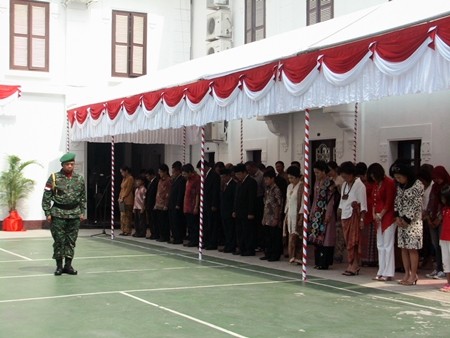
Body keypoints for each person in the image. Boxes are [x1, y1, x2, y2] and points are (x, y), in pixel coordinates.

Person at [42, 152, 86, 276]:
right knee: (59, 241)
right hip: (58, 213)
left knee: (71, 241)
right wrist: (47, 212)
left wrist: (82, 211)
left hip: (74, 214)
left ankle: (68, 265)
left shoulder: (79, 179)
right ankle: (59, 266)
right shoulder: (54, 178)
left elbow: (83, 197)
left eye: (72, 164)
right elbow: (46, 196)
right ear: (62, 165)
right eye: (68, 164)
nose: (70, 166)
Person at [392, 162, 424, 285]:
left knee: (412, 249)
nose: (397, 180)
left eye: (400, 177)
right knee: (403, 248)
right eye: (396, 177)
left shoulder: (417, 185)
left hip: (413, 223)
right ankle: (406, 273)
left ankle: (413, 274)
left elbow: (416, 204)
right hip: (401, 221)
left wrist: (406, 219)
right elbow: (396, 201)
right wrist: (397, 217)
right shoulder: (400, 186)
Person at [367, 163, 396, 281]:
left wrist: (381, 214)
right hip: (378, 217)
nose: (373, 178)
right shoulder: (376, 184)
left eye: (374, 175)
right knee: (380, 245)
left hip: (388, 217)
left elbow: (389, 201)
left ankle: (388, 272)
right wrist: (374, 214)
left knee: (388, 245)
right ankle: (381, 269)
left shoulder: (389, 183)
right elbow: (374, 201)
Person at [338, 161, 367, 276]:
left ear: (351, 174)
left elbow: (363, 205)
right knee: (348, 242)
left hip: (355, 216)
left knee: (354, 242)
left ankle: (355, 264)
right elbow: (342, 201)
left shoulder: (360, 185)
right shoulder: (344, 185)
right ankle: (350, 263)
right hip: (345, 216)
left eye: (345, 176)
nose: (344, 178)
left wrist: (362, 220)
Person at [309, 161, 336, 270]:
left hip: (325, 213)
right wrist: (311, 212)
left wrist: (328, 214)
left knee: (325, 239)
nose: (316, 175)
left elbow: (331, 200)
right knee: (316, 237)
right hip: (317, 213)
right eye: (315, 173)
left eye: (318, 173)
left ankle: (324, 262)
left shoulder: (330, 183)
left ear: (324, 172)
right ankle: (318, 261)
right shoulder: (316, 183)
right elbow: (315, 199)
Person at [425, 166, 450, 279]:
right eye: (434, 178)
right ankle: (438, 267)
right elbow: (430, 203)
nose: (436, 180)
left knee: (443, 246)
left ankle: (444, 270)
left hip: (443, 221)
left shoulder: (447, 187)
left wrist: (438, 219)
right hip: (432, 218)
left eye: (438, 178)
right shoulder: (434, 187)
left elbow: (444, 205)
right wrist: (429, 218)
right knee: (436, 245)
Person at [233, 163, 257, 256]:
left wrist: (251, 212)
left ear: (244, 172)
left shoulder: (251, 182)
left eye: (239, 174)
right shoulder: (239, 183)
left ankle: (249, 249)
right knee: (240, 231)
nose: (237, 176)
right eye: (236, 175)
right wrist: (234, 210)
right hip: (239, 212)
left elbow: (252, 199)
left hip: (247, 212)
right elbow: (236, 198)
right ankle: (241, 248)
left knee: (248, 231)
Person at [260, 170, 283, 262]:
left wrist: (276, 218)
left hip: (273, 217)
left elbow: (278, 204)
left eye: (267, 179)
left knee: (274, 237)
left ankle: (275, 254)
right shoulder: (267, 189)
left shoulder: (276, 190)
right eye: (264, 179)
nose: (266, 181)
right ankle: (268, 253)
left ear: (272, 179)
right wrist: (263, 217)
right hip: (267, 217)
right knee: (267, 237)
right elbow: (265, 204)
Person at [284, 165, 303, 264]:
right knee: (291, 235)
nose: (290, 180)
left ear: (297, 177)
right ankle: (292, 255)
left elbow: (303, 203)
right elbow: (288, 201)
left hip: (298, 214)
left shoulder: (301, 186)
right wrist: (286, 214)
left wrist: (301, 217)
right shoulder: (289, 186)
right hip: (290, 214)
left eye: (292, 178)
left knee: (298, 236)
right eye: (289, 178)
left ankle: (299, 256)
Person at [182, 163, 200, 247]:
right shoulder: (188, 180)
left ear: (190, 172)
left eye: (185, 173)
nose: (183, 175)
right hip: (187, 205)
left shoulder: (196, 179)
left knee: (194, 225)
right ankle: (191, 239)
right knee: (189, 224)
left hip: (193, 206)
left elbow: (197, 194)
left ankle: (195, 240)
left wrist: (196, 206)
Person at [168, 161, 186, 244]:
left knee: (177, 222)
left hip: (177, 204)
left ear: (178, 171)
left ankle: (178, 238)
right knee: (172, 222)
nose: (173, 173)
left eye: (174, 172)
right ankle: (174, 237)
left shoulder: (182, 180)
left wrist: (178, 204)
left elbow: (180, 193)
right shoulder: (174, 180)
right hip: (171, 203)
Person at [220, 167, 237, 253]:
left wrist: (234, 210)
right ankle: (227, 245)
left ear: (228, 176)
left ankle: (231, 246)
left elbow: (234, 199)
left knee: (230, 230)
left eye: (223, 177)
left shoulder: (234, 185)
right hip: (224, 210)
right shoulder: (224, 185)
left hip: (230, 211)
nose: (222, 179)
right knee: (226, 230)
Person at [154, 164, 171, 242]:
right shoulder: (160, 180)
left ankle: (165, 236)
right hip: (158, 204)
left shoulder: (168, 180)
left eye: (160, 172)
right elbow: (158, 192)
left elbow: (168, 193)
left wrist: (166, 204)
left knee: (164, 222)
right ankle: (161, 235)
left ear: (165, 172)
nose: (159, 173)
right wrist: (156, 203)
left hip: (164, 204)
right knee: (159, 222)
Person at [439, 184, 450, 292]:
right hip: (444, 238)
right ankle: (448, 282)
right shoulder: (444, 209)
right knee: (446, 261)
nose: (442, 199)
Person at [118, 166, 134, 236]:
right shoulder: (124, 179)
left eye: (122, 172)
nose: (122, 174)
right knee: (122, 216)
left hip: (128, 199)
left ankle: (128, 231)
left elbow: (128, 189)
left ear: (126, 171)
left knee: (127, 216)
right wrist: (119, 197)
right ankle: (123, 230)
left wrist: (123, 197)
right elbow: (122, 189)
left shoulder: (130, 178)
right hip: (122, 199)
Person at [145, 169, 159, 239]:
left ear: (152, 175)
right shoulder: (150, 182)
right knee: (150, 220)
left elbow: (155, 194)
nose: (147, 177)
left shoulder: (156, 181)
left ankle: (155, 234)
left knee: (154, 220)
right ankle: (152, 233)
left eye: (147, 176)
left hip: (153, 203)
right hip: (149, 204)